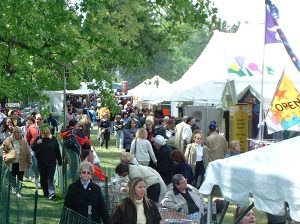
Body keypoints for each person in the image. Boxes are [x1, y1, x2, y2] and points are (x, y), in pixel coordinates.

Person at [32, 125, 62, 199]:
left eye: (48, 131)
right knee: (43, 178)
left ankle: (51, 193)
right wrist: (37, 143)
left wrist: (59, 160)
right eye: (45, 131)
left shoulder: (54, 139)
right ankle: (46, 192)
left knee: (50, 177)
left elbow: (57, 151)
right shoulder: (39, 138)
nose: (47, 133)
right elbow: (33, 148)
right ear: (42, 132)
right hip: (41, 162)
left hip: (51, 162)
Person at [2, 126, 32, 197]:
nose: (19, 134)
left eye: (20, 132)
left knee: (20, 178)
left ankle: (19, 191)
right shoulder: (8, 140)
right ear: (14, 133)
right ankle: (13, 189)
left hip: (21, 163)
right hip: (11, 163)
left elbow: (28, 153)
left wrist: (29, 162)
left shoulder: (24, 141)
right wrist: (4, 156)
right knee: (12, 177)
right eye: (17, 132)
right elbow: (3, 149)